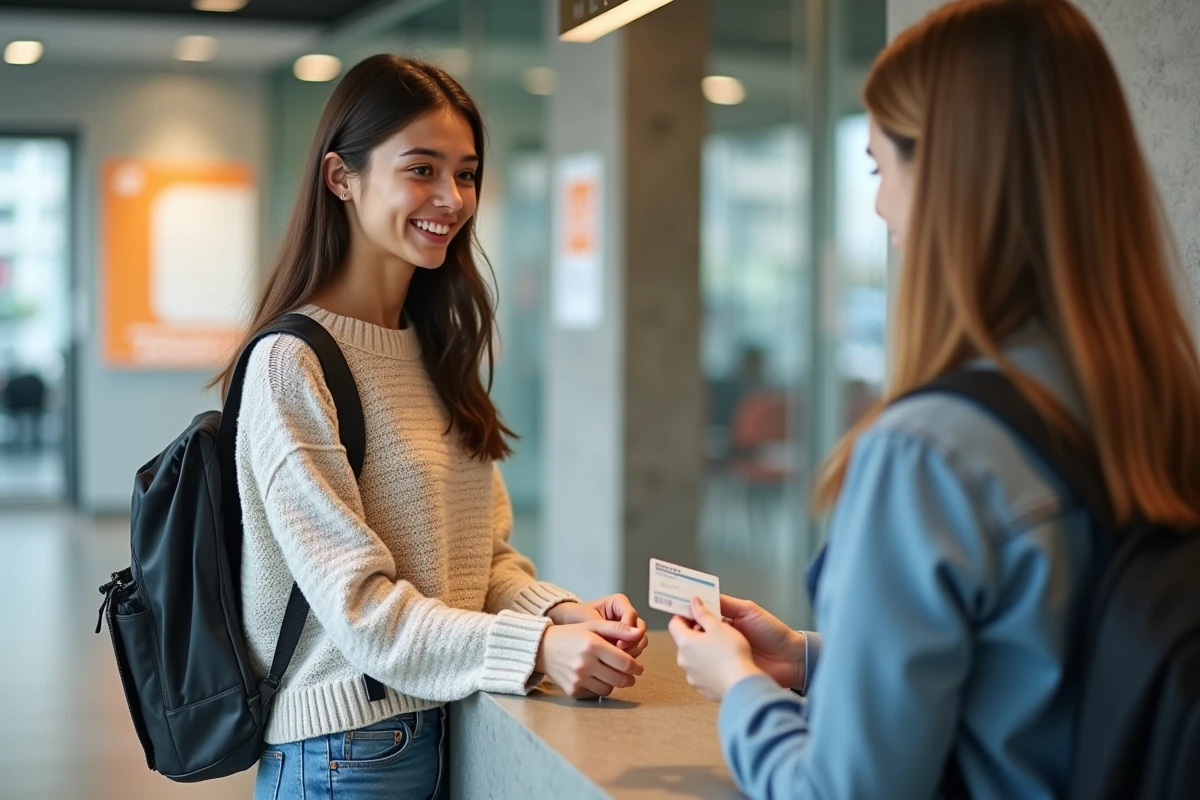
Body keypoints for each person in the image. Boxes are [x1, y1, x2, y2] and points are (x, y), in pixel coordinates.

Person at [670, 1, 1200, 798]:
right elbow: (1053, 668)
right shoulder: (1156, 397)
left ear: (952, 178)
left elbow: (839, 790)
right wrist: (813, 658)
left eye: (882, 169)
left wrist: (740, 687)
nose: (880, 210)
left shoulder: (930, 450)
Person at [212, 55, 649, 800]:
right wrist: (540, 645)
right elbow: (363, 610)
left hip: (445, 724)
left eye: (468, 173)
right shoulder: (291, 363)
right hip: (342, 754)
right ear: (340, 178)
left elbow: (483, 563)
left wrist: (566, 612)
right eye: (422, 169)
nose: (451, 198)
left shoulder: (434, 347)